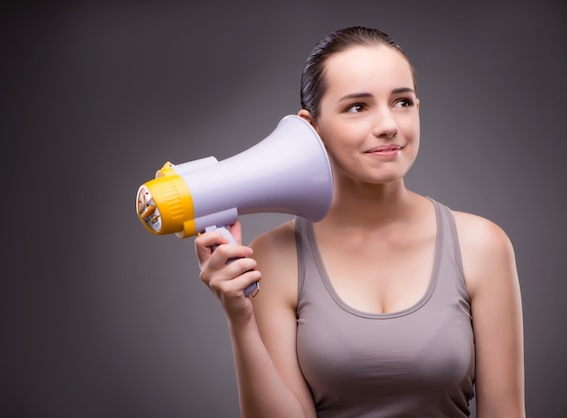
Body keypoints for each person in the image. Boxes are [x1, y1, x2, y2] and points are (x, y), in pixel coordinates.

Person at [195, 26, 525, 418]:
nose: (389, 124)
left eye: (402, 101)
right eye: (358, 107)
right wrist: (240, 319)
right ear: (311, 128)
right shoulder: (272, 257)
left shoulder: (482, 246)